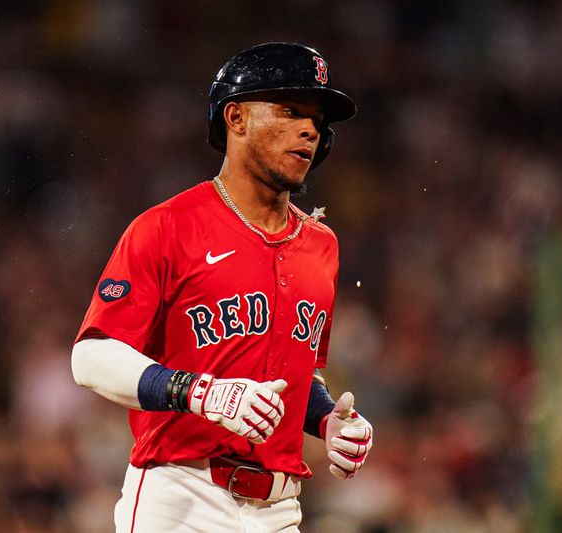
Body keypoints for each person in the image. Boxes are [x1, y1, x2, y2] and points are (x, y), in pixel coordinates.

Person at [71, 42, 374, 532]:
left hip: (280, 509)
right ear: (235, 118)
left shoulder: (321, 245)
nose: (310, 129)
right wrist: (200, 392)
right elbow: (90, 358)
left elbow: (295, 373)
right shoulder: (167, 227)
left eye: (318, 119)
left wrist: (325, 421)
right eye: (291, 110)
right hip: (180, 497)